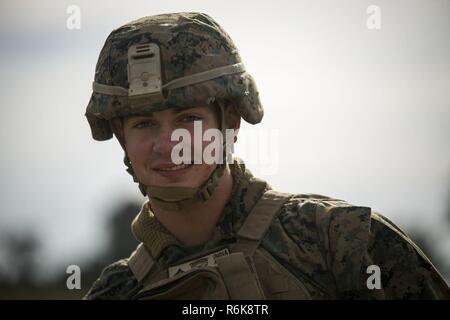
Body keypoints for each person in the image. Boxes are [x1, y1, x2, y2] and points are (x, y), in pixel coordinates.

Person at [83, 12, 450, 299]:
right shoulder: (118, 291)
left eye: (189, 119)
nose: (167, 144)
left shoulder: (341, 243)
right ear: (121, 138)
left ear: (229, 123)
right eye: (144, 124)